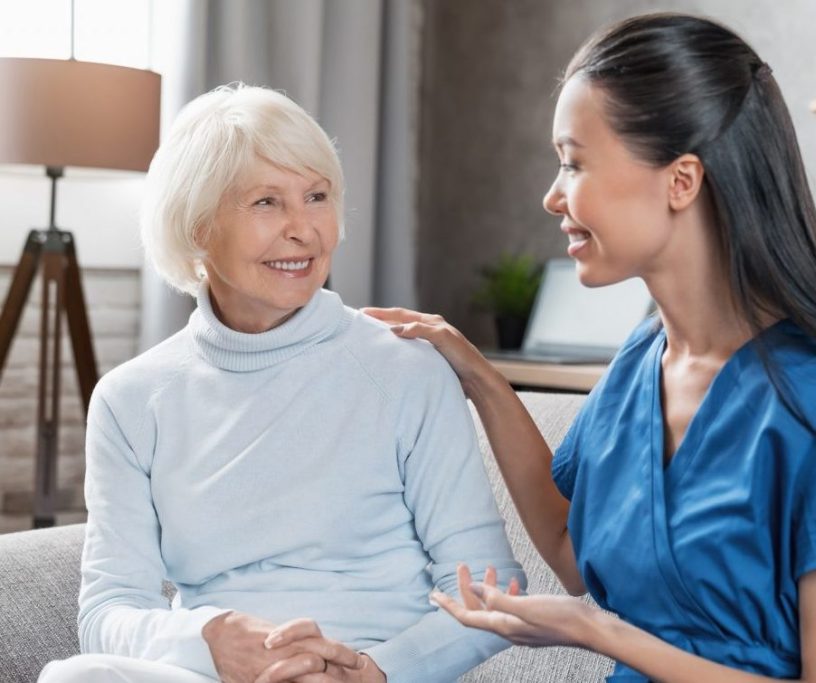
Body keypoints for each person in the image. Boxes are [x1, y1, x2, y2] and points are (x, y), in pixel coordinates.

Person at [364, 12, 816, 683]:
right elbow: (570, 548)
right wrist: (478, 375)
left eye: (574, 162)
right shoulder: (639, 366)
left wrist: (604, 632)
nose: (552, 195)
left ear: (681, 180)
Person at [37, 83, 525, 683]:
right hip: (214, 675)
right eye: (266, 202)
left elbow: (491, 588)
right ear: (196, 229)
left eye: (316, 196)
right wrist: (209, 639)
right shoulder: (131, 400)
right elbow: (109, 611)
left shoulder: (405, 368)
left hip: (373, 674)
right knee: (76, 677)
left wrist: (371, 671)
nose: (303, 229)